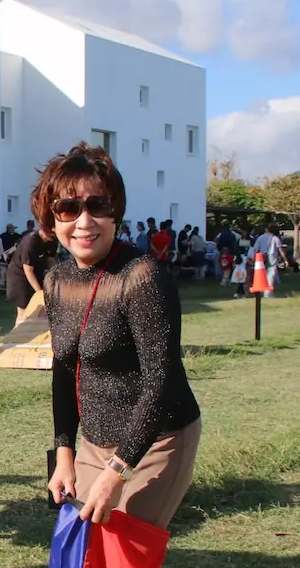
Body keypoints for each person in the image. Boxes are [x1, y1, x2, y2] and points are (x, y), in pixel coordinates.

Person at [41, 143, 201, 533]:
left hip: (157, 438)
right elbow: (64, 373)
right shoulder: (56, 281)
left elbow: (161, 382)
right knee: (82, 552)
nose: (84, 221)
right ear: (51, 217)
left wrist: (117, 474)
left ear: (116, 215)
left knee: (124, 552)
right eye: (68, 208)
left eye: (99, 206)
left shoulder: (141, 276)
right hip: (96, 441)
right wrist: (65, 453)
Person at [5, 222, 56, 326]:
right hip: (20, 277)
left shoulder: (52, 241)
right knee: (24, 311)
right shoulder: (31, 241)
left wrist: (53, 278)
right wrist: (39, 293)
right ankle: (17, 338)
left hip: (37, 274)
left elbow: (51, 260)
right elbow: (28, 270)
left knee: (41, 312)